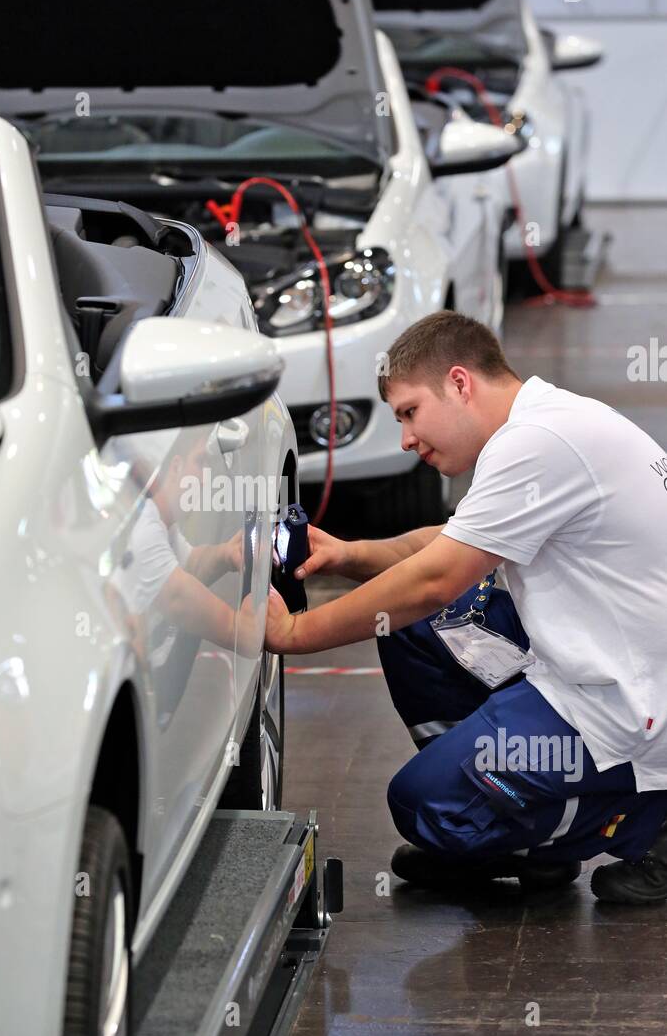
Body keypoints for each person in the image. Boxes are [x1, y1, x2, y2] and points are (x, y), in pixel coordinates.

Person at [264, 311, 667, 903]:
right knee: (417, 629)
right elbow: (449, 544)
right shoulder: (542, 420)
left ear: (459, 383)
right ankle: (515, 820)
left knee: (423, 804)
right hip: (613, 663)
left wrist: (294, 632)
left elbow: (433, 580)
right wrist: (348, 555)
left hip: (630, 708)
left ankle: (644, 819)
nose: (404, 437)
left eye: (409, 412)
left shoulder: (536, 444)